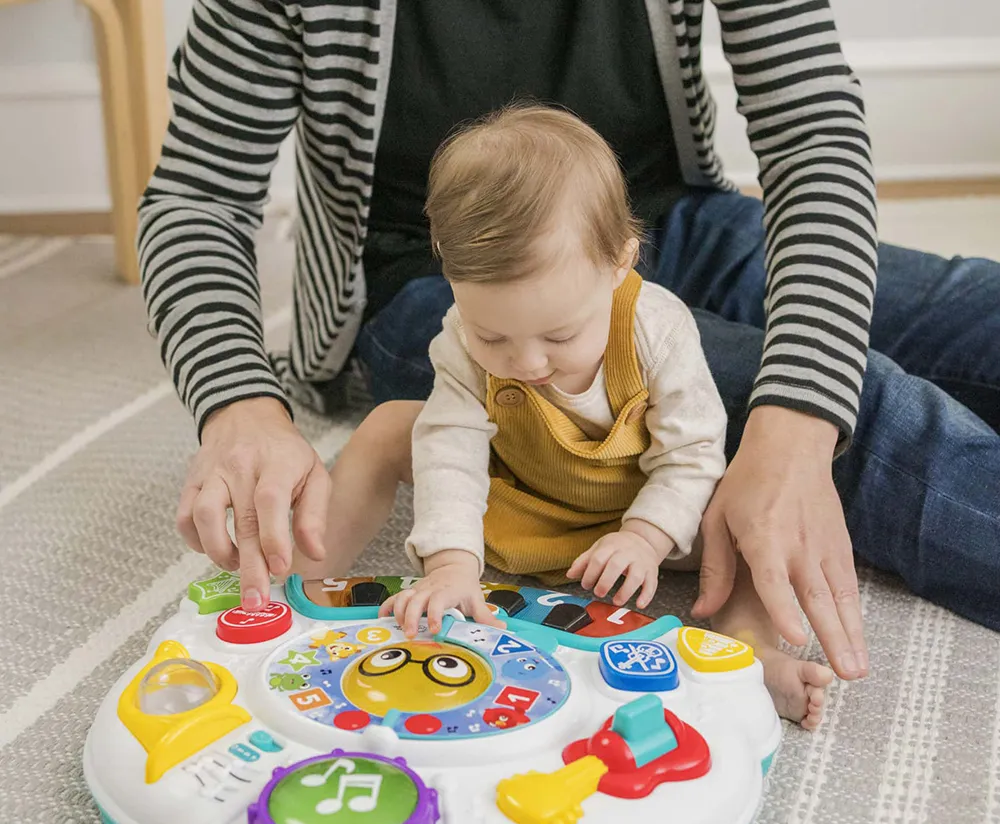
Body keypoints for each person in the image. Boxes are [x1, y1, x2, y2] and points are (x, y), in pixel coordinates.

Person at [139, 3, 1000, 725]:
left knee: (905, 351)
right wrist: (239, 405)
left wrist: (798, 424)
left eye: (551, 350)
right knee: (882, 418)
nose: (533, 367)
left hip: (666, 218)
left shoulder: (637, 282)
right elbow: (196, 193)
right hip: (424, 280)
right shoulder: (474, 345)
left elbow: (814, 131)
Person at [287, 103, 832, 727]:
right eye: (495, 338)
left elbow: (691, 454)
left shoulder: (657, 329)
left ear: (620, 260)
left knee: (746, 510)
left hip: (642, 513)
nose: (526, 361)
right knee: (390, 425)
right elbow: (450, 450)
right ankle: (294, 590)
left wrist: (645, 537)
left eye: (560, 335)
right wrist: (452, 566)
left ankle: (748, 651)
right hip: (524, 498)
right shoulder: (459, 338)